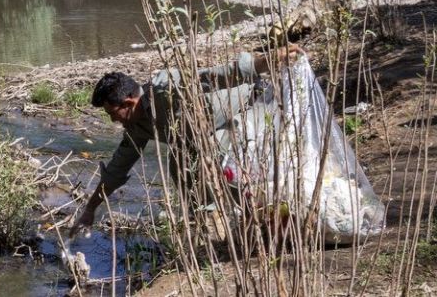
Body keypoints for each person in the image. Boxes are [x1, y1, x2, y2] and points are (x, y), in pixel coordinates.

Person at [70, 45, 301, 236]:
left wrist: (266, 61)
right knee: (180, 162)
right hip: (208, 133)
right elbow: (117, 169)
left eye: (113, 114)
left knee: (217, 162)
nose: (113, 121)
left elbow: (215, 76)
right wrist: (90, 210)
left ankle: (265, 219)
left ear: (129, 103)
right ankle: (210, 223)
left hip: (250, 107)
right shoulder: (136, 126)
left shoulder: (167, 88)